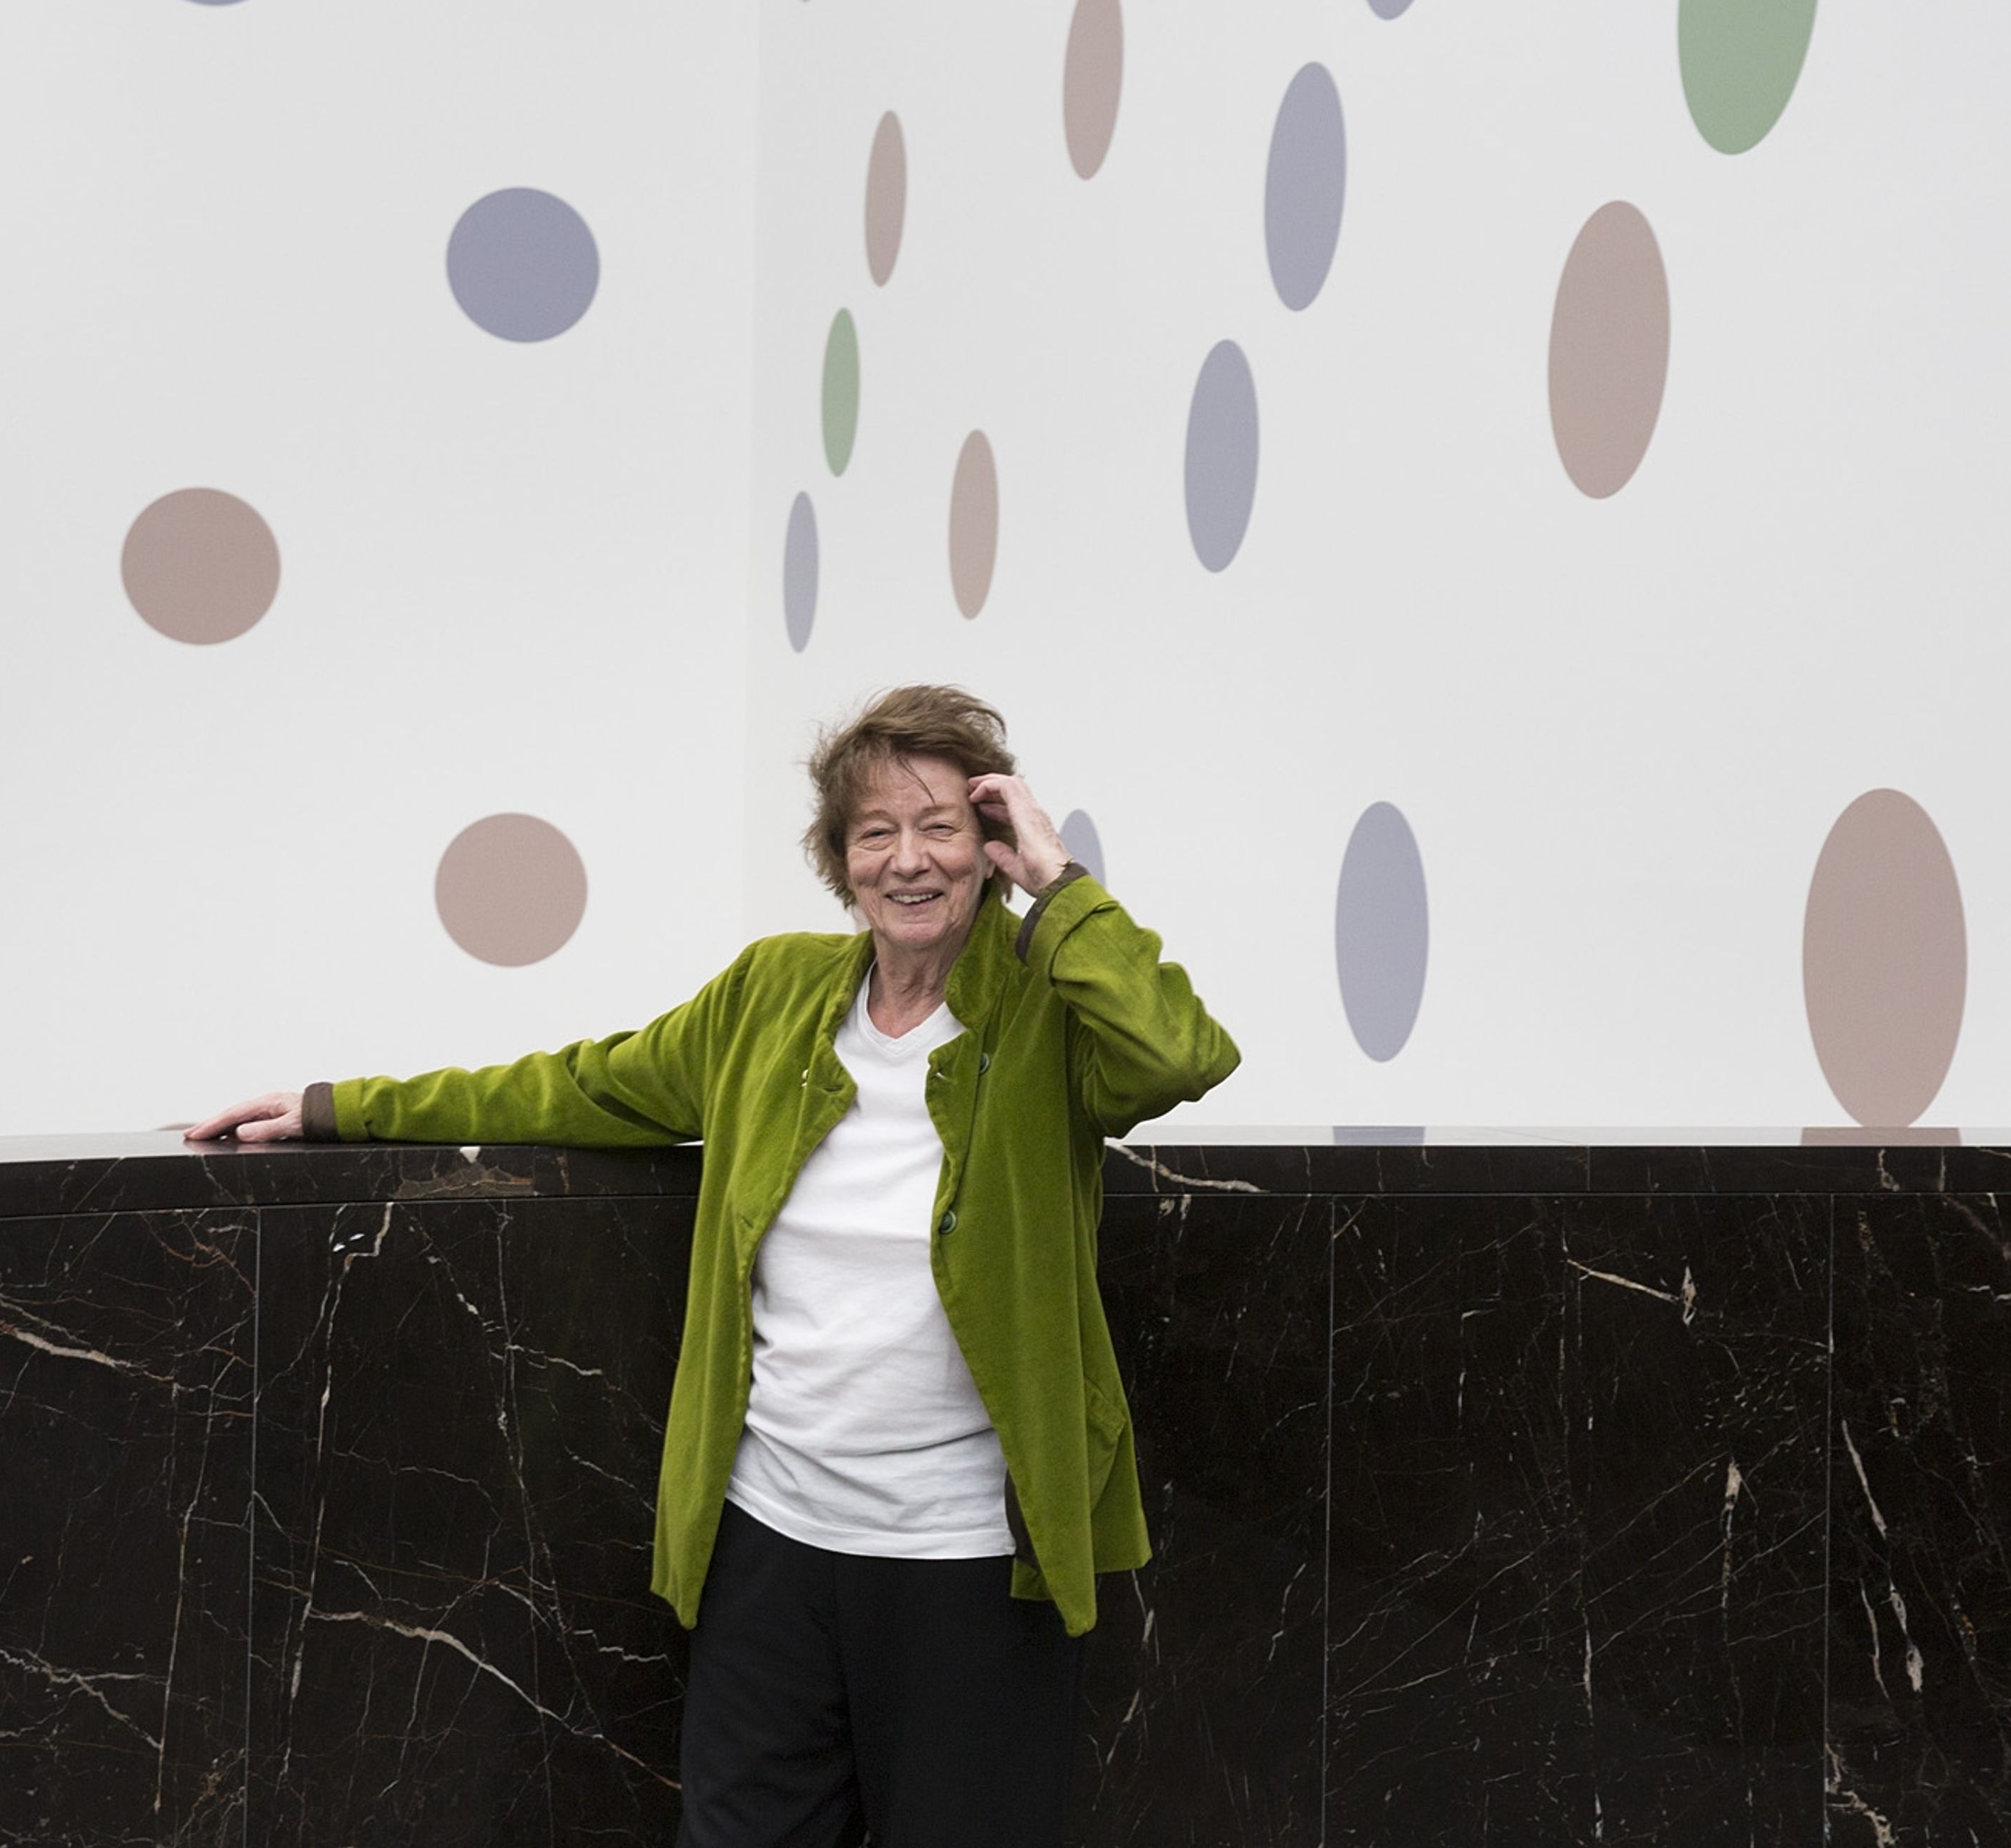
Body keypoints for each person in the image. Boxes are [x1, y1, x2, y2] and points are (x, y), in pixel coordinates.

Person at [189, 685, 1238, 1847]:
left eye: (941, 825)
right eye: (875, 831)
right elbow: (578, 1083)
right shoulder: (771, 996)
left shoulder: (1046, 1010)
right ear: (841, 861)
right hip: (772, 1548)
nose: (908, 860)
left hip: (969, 1567)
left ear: (988, 847)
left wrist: (1060, 881)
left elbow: (1181, 1052)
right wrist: (340, 1107)